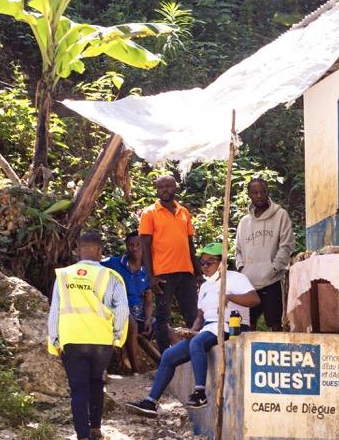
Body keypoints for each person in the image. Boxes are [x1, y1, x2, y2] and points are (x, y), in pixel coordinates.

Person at [124, 244, 258, 416]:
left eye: (210, 262)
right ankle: (150, 402)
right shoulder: (205, 286)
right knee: (169, 356)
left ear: (223, 262)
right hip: (209, 328)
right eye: (202, 263)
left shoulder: (235, 278)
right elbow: (200, 317)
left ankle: (200, 393)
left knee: (197, 342)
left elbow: (254, 300)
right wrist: (192, 330)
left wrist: (230, 297)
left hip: (231, 325)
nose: (205, 267)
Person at [47, 231, 128, 440]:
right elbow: (122, 310)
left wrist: (54, 339)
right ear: (100, 251)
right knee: (96, 382)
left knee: (78, 389)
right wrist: (116, 337)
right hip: (101, 340)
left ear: (78, 250)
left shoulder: (64, 275)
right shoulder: (111, 276)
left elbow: (55, 310)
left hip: (72, 339)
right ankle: (95, 432)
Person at [139, 174, 198, 351]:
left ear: (175, 188)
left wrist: (198, 272)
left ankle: (194, 353)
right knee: (163, 316)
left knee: (193, 315)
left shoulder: (184, 212)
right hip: (163, 273)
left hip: (186, 272)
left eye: (168, 186)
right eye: (161, 187)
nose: (165, 190)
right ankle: (164, 357)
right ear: (157, 190)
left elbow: (190, 244)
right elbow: (145, 246)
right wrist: (151, 277)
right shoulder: (149, 213)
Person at [235, 177, 294, 332]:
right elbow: (238, 250)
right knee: (248, 324)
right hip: (249, 283)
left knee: (275, 324)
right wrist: (242, 268)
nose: (259, 195)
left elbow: (287, 245)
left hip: (272, 279)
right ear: (249, 195)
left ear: (268, 192)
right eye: (255, 192)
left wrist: (274, 268)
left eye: (262, 191)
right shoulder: (244, 222)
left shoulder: (280, 215)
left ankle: (277, 346)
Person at [103, 232, 156, 374]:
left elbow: (149, 300)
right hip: (118, 310)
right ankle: (136, 371)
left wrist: (148, 319)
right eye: (131, 245)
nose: (135, 248)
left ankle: (175, 368)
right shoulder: (114, 263)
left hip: (139, 313)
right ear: (126, 246)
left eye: (138, 245)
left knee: (167, 331)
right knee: (131, 323)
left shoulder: (148, 270)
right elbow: (93, 265)